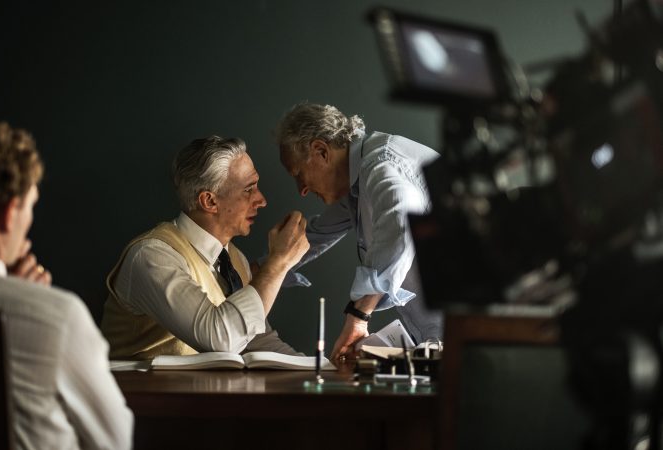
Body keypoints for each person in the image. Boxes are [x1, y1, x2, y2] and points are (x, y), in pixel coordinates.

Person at [0, 119, 133, 450]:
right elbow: (115, 440)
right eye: (31, 205)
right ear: (10, 212)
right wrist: (27, 302)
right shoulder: (57, 317)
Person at [101, 135, 309, 360]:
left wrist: (322, 370)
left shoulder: (235, 259)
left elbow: (258, 340)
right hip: (140, 395)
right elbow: (221, 341)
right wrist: (277, 264)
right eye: (249, 189)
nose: (262, 200)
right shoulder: (152, 256)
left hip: (203, 394)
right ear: (209, 201)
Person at [275, 102, 444, 361]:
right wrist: (257, 271)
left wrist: (359, 315)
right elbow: (314, 236)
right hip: (442, 333)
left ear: (321, 151)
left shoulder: (381, 165)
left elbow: (401, 228)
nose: (302, 190)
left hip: (466, 330)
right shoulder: (355, 185)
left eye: (299, 174)